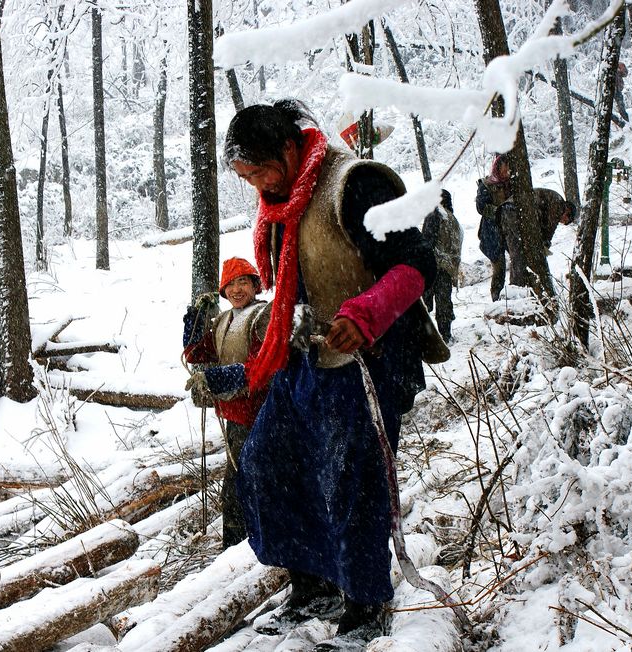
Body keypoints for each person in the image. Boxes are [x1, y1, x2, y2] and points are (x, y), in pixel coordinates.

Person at [221, 99, 442, 647]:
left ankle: (366, 605)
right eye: (244, 177)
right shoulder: (280, 203)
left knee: (354, 479)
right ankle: (313, 583)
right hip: (305, 359)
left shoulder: (355, 185)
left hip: (369, 358)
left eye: (260, 171)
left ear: (290, 150)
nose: (255, 185)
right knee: (268, 463)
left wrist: (363, 315)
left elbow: (417, 264)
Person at [183, 257, 271, 549]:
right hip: (236, 419)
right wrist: (195, 319)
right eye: (230, 284)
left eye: (243, 282)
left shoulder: (263, 316)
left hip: (263, 417)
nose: (236, 289)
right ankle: (243, 550)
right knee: (238, 490)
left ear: (255, 285)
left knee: (244, 490)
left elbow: (263, 367)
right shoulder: (224, 321)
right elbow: (196, 353)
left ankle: (246, 551)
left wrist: (220, 378)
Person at [422, 190, 461, 343]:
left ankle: (426, 337)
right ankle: (445, 335)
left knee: (425, 303)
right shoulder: (453, 220)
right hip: (448, 268)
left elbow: (427, 241)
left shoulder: (434, 214)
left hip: (432, 265)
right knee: (444, 301)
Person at [476, 154, 511, 301]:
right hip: (492, 233)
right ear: (498, 167)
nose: (507, 171)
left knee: (519, 260)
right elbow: (481, 207)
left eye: (509, 168)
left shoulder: (511, 184)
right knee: (499, 268)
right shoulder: (486, 185)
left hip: (508, 231)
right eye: (505, 167)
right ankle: (496, 298)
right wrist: (498, 212)